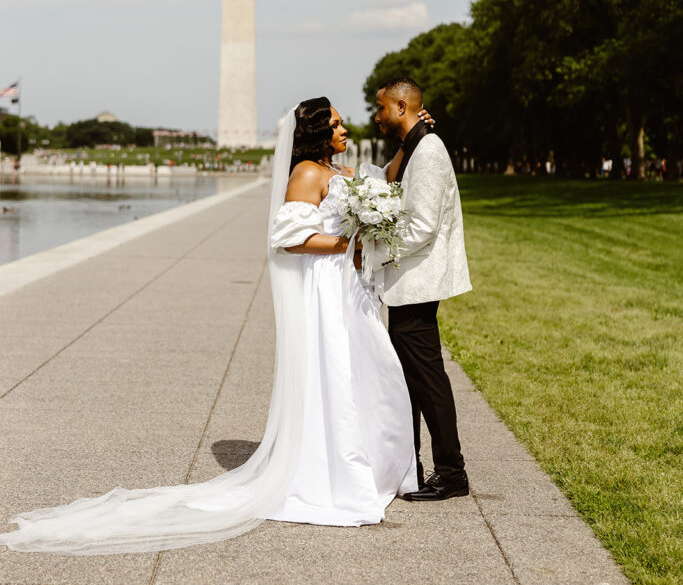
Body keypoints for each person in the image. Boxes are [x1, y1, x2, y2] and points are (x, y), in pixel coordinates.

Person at [0, 96, 429, 555]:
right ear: (317, 132)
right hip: (328, 289)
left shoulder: (343, 172)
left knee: (372, 371)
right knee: (338, 374)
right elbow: (290, 239)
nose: (346, 131)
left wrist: (412, 138)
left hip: (352, 289)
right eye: (338, 125)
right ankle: (338, 472)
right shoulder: (306, 174)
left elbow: (382, 181)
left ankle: (376, 465)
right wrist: (348, 244)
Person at [373, 77, 471, 501]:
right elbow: (392, 178)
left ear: (399, 106)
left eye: (379, 108)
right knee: (410, 379)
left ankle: (452, 473)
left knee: (428, 381)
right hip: (407, 283)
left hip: (416, 282)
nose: (375, 116)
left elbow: (424, 227)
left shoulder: (429, 150)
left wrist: (373, 246)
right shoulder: (416, 145)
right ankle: (411, 465)